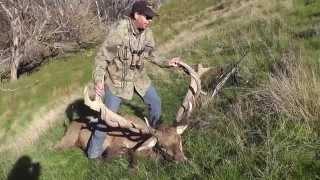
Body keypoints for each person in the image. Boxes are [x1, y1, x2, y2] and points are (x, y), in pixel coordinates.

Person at [87, 0, 181, 159]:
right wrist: (99, 80)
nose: (150, 21)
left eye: (151, 18)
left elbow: (152, 54)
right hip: (117, 82)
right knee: (106, 119)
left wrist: (167, 62)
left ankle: (157, 137)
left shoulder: (147, 33)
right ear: (136, 14)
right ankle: (93, 154)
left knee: (155, 102)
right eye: (147, 17)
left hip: (139, 79)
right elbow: (101, 58)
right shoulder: (119, 33)